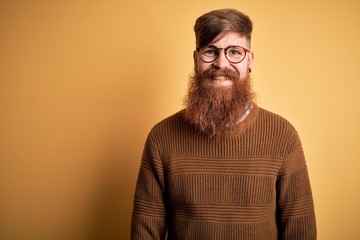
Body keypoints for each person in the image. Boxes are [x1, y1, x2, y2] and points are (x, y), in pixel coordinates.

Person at [131, 8, 316, 240]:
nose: (221, 63)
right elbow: (144, 232)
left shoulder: (283, 135)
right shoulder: (161, 137)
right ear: (196, 59)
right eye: (210, 51)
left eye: (234, 52)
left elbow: (300, 228)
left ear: (249, 59)